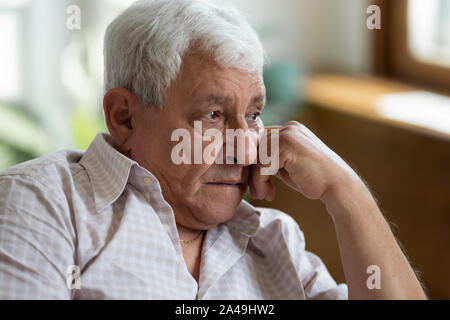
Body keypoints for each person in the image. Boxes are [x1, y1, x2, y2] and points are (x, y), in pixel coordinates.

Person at [0, 0, 426, 299]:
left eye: (254, 115)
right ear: (124, 116)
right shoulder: (42, 204)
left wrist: (346, 192)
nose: (244, 147)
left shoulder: (276, 241)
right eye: (213, 115)